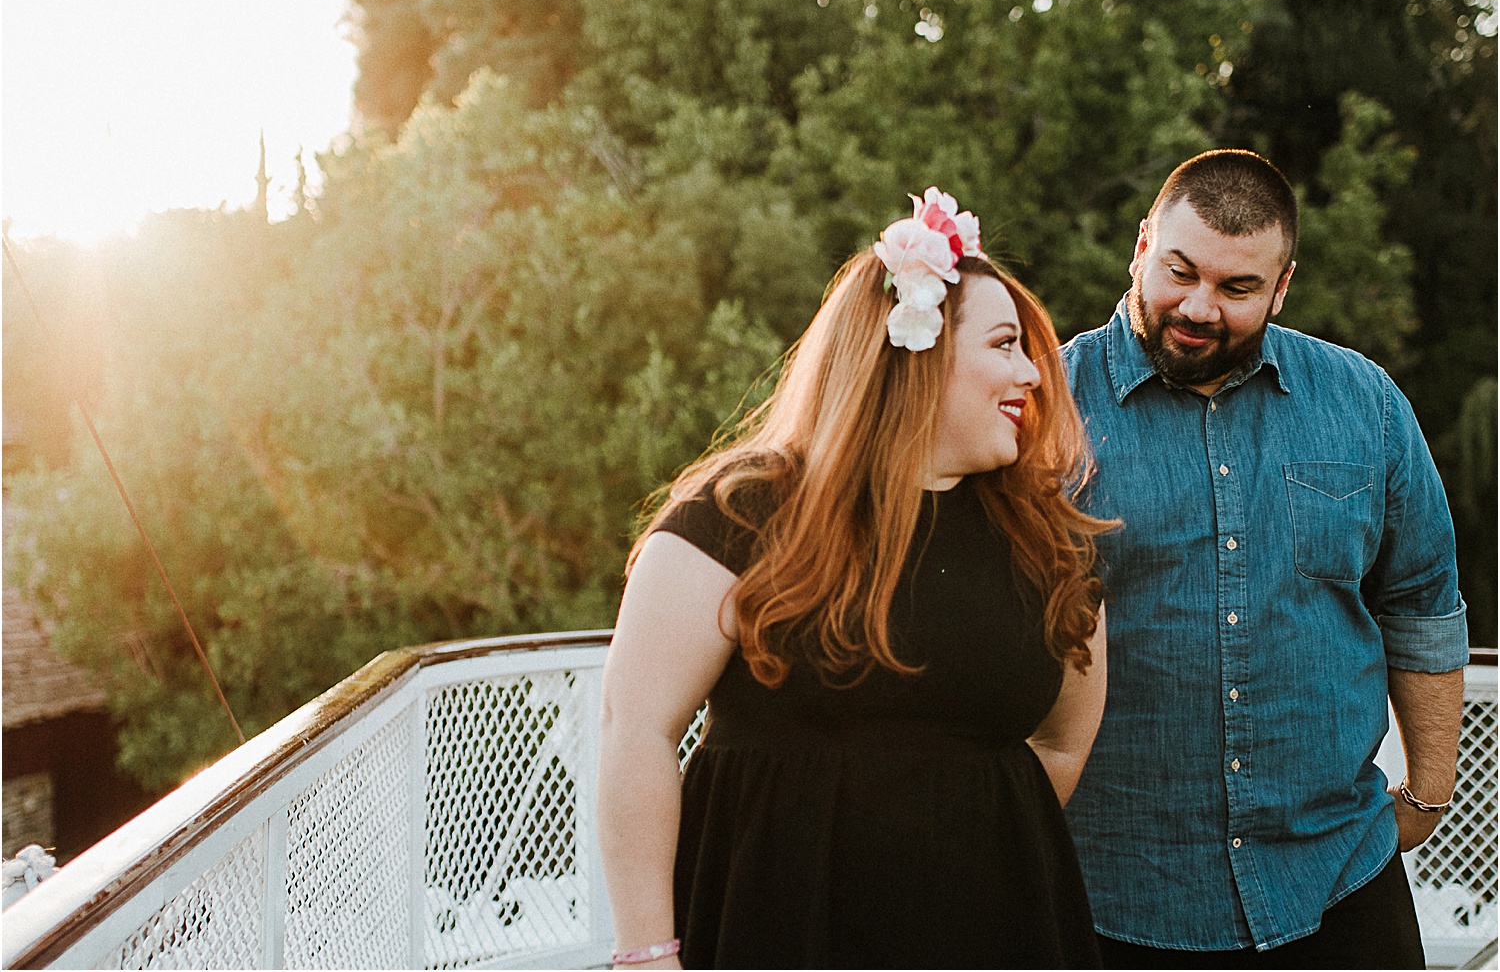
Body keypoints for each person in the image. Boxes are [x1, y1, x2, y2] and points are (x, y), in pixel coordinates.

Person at [597, 187, 1114, 969]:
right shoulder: (739, 513)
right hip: (773, 926)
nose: (1033, 375)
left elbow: (1062, 744)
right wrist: (646, 954)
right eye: (1006, 344)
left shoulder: (1050, 544)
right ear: (918, 349)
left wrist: (954, 847)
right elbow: (635, 729)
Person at [1061, 149, 1468, 968]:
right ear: (1142, 245)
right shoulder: (1042, 405)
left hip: (1338, 882)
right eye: (1180, 271)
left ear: (1281, 287)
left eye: (1238, 288)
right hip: (1113, 896)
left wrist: (1428, 791)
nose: (1199, 307)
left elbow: (1421, 599)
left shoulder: (1365, 401)